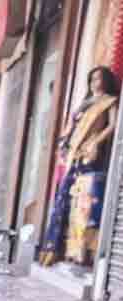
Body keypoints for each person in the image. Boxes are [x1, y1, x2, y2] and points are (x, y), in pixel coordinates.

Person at [42, 66, 119, 267]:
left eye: (99, 78)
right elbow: (70, 129)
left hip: (90, 157)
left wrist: (96, 141)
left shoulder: (109, 102)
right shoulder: (84, 104)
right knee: (65, 202)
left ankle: (82, 252)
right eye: (92, 78)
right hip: (73, 157)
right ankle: (56, 248)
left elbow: (112, 126)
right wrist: (63, 146)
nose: (96, 82)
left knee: (85, 204)